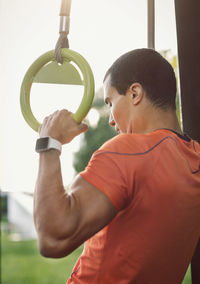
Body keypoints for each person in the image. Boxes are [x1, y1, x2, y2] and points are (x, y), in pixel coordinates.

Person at [34, 48, 200, 284]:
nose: (111, 119)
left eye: (111, 102)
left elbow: (53, 237)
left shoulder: (129, 151)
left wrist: (49, 143)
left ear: (135, 93)